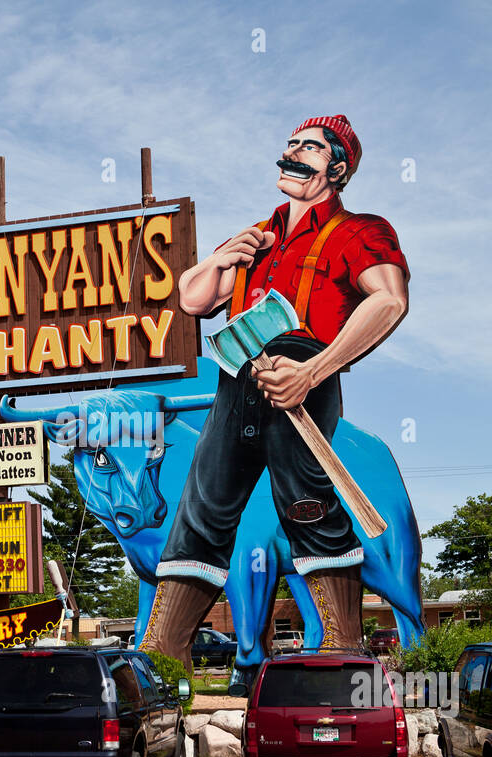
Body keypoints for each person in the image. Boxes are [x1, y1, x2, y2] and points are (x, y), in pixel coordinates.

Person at [140, 115, 410, 692]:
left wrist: (313, 370)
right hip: (237, 378)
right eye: (290, 145)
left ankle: (342, 649)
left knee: (305, 501)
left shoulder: (358, 230)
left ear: (337, 167)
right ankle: (163, 654)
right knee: (202, 505)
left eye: (308, 148)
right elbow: (192, 300)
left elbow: (388, 301)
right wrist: (221, 259)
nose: (292, 155)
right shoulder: (258, 234)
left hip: (301, 373)